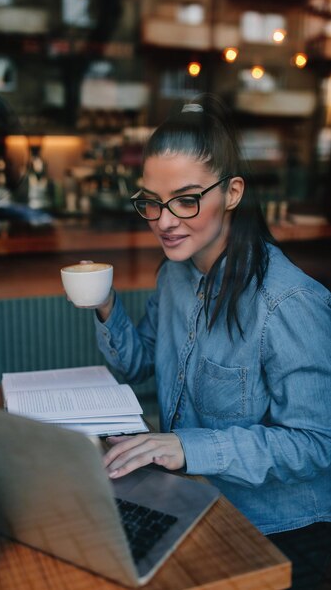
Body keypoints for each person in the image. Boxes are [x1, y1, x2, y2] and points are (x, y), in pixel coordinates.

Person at [70, 94, 331, 586]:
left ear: (233, 192)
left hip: (287, 533)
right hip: (196, 503)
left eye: (186, 199)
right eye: (150, 201)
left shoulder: (288, 301)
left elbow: (317, 444)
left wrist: (186, 448)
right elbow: (139, 364)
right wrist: (104, 304)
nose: (164, 221)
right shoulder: (175, 277)